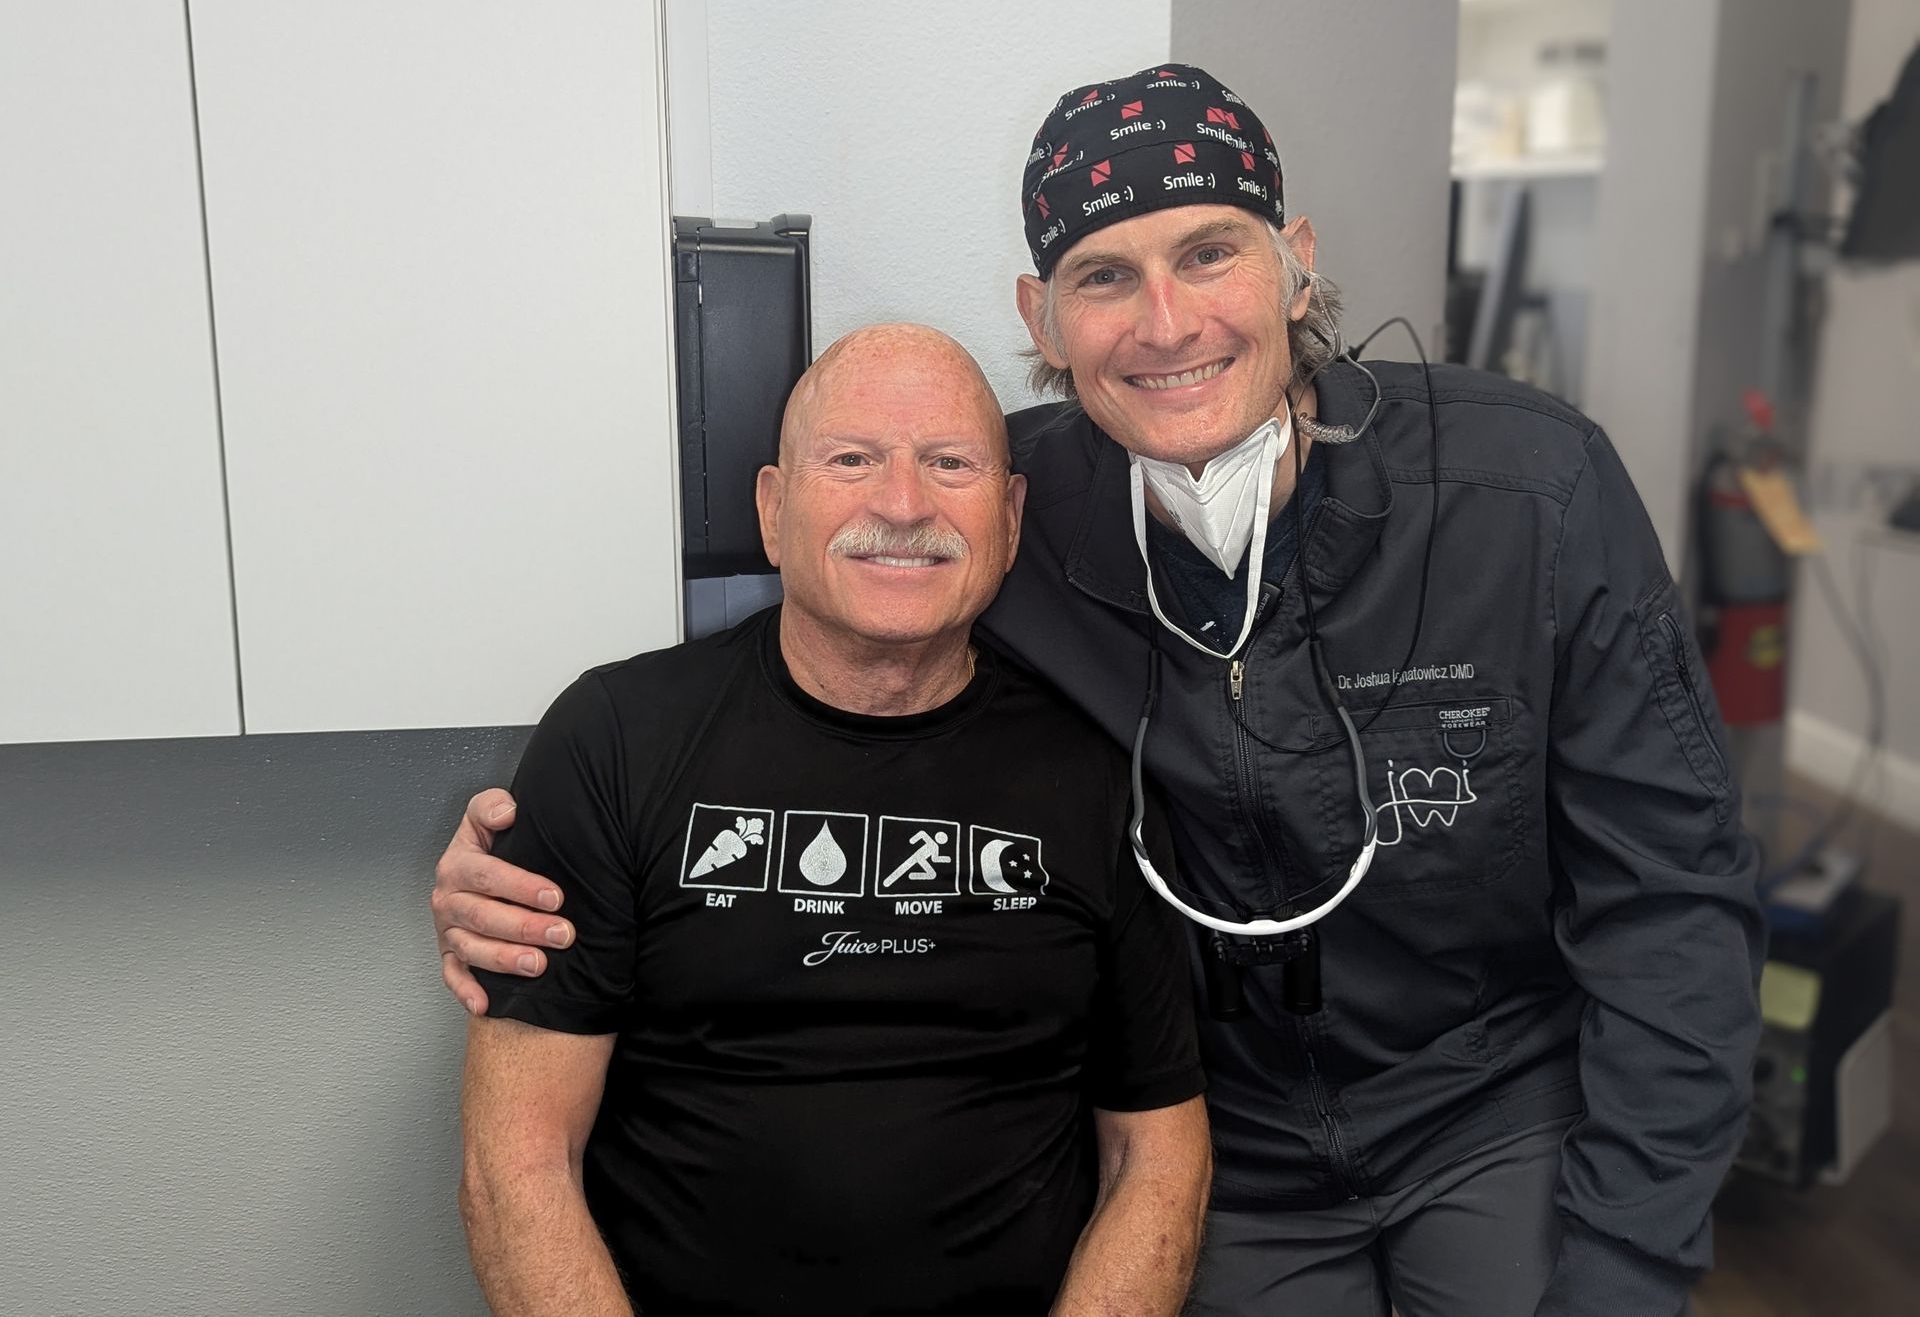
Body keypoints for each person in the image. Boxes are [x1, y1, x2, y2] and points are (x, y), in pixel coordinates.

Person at [436, 67, 1762, 1317]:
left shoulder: (1528, 495)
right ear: (1043, 319)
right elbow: (814, 680)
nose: (1166, 322)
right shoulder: (988, 509)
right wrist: (530, 845)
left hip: (1493, 1095)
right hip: (1226, 1126)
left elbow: (1674, 897)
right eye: (1104, 275)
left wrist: (1630, 1256)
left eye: (1210, 253)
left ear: (1295, 261)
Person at [454, 322, 1210, 1317]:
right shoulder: (615, 739)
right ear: (775, 511)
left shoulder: (1098, 768)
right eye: (852, 460)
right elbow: (515, 1162)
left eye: (950, 464)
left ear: (1011, 516)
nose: (902, 505)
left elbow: (1157, 1156)